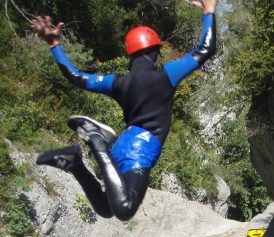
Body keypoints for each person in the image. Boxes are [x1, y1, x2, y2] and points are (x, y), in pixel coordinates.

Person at [32, 0, 217, 221]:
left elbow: (77, 77)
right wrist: (209, 11)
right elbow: (206, 49)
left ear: (130, 55)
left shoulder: (118, 83)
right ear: (156, 52)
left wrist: (54, 43)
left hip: (125, 145)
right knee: (124, 209)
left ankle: (75, 164)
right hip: (141, 147)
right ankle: (97, 141)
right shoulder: (166, 75)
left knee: (106, 207)